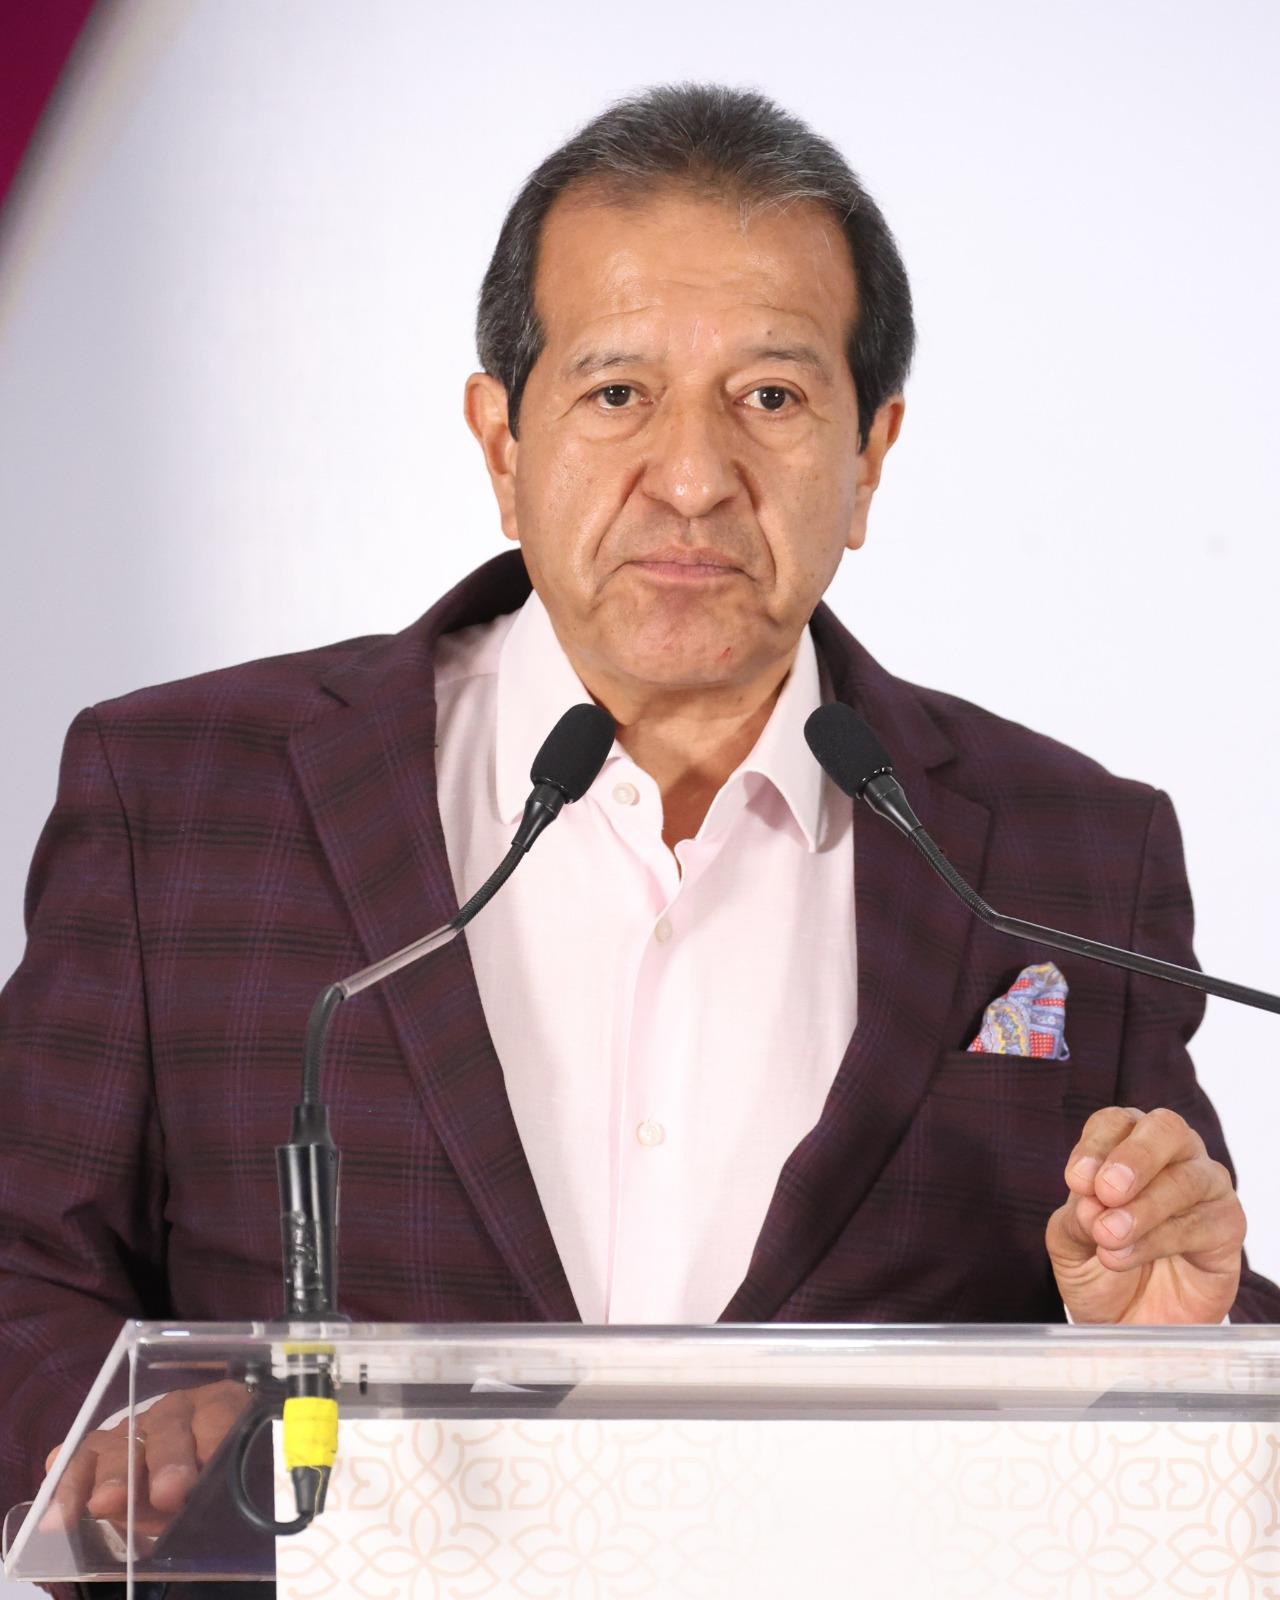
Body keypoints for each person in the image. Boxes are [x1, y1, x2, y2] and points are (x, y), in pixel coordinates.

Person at [2, 83, 1276, 1555]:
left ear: (871, 455)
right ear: (500, 440)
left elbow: (1178, 1311)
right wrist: (127, 1444)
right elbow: (26, 1266)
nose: (690, 478)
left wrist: (1179, 1344)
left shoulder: (1071, 855)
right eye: (617, 394)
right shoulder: (182, 797)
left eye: (772, 398)